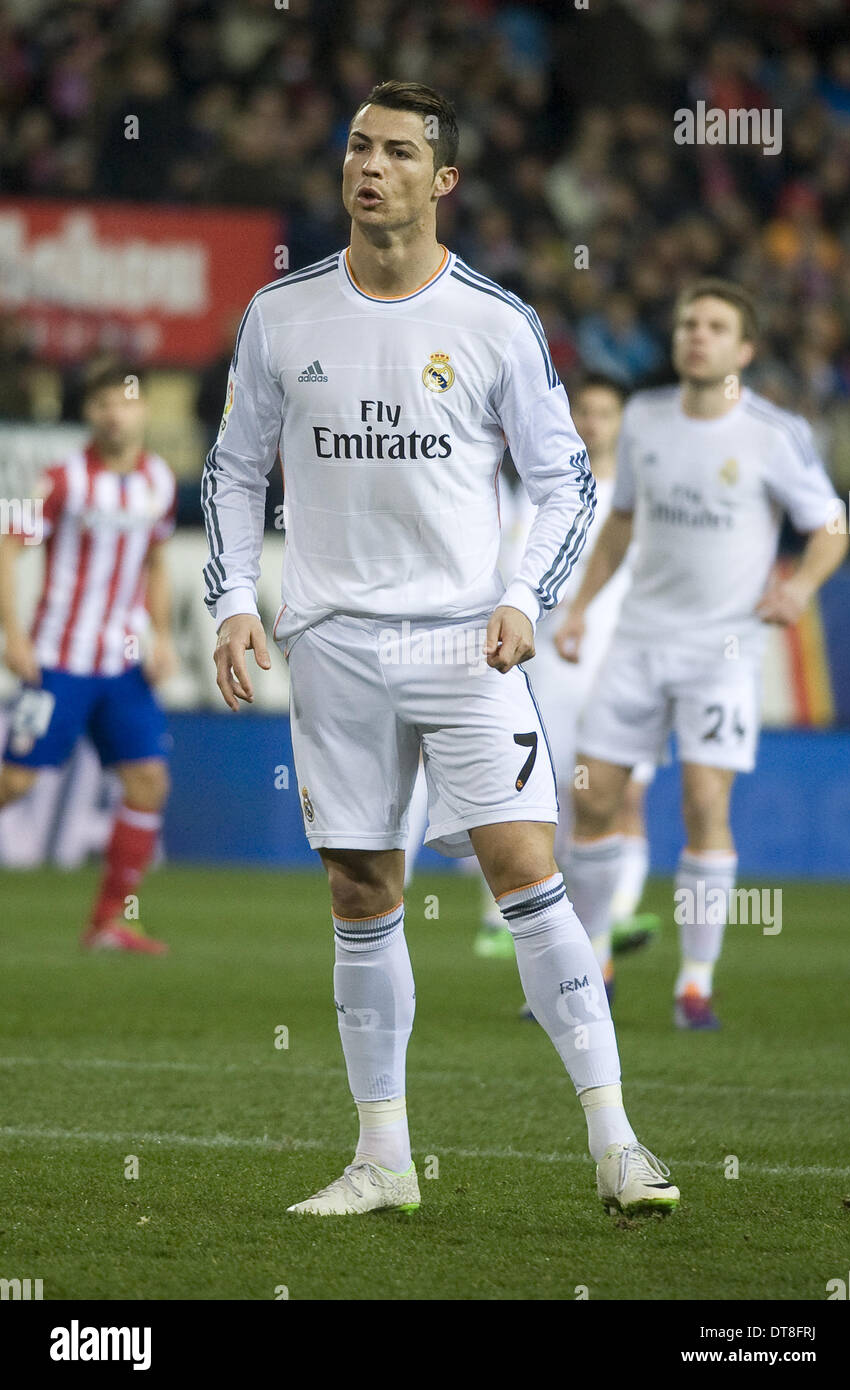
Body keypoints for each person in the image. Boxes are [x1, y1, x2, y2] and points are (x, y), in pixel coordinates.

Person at [204, 80, 679, 1219]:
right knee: (362, 887)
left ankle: (617, 1144)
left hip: (467, 644)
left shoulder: (493, 322)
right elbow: (230, 472)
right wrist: (230, 599)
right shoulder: (280, 316)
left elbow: (565, 479)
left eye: (399, 153)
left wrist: (524, 592)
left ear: (443, 180)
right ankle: (382, 1159)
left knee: (525, 866)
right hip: (331, 644)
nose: (370, 167)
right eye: (358, 146)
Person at [555, 280, 849, 1028]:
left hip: (722, 650)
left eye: (715, 326)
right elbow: (620, 526)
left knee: (704, 802)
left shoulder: (773, 434)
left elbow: (830, 525)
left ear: (743, 350)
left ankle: (694, 982)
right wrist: (583, 606)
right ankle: (594, 959)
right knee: (591, 799)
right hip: (639, 639)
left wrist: (803, 586)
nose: (696, 334)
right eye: (688, 322)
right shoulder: (646, 420)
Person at [472, 376, 660, 980]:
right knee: (535, 795)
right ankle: (507, 917)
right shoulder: (538, 494)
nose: (595, 422)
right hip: (547, 664)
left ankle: (615, 915)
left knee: (623, 792)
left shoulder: (639, 502)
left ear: (623, 423)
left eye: (607, 412)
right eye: (586, 410)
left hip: (622, 661)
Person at [0, 358, 176, 953]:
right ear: (88, 414)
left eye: (124, 401)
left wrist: (162, 637)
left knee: (148, 781)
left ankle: (109, 922)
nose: (114, 413)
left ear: (143, 408)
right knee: (15, 784)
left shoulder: (159, 482)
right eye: (102, 403)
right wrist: (15, 637)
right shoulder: (63, 479)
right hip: (56, 663)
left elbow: (155, 563)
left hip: (121, 666)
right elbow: (7, 544)